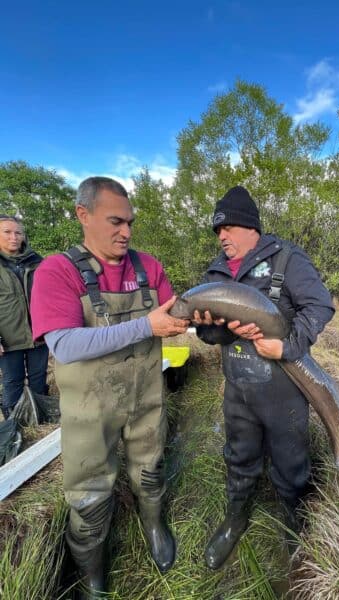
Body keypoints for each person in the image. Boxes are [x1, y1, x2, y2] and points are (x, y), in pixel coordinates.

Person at [30, 177, 189, 597]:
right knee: (88, 497)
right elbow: (64, 343)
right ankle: (92, 576)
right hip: (89, 411)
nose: (127, 232)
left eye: (130, 222)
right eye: (115, 221)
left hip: (146, 400)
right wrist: (145, 325)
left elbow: (176, 315)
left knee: (151, 471)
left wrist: (211, 316)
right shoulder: (57, 271)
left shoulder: (148, 268)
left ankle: (154, 525)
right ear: (83, 215)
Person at [193, 186, 335, 570]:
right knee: (239, 456)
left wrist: (286, 346)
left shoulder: (287, 259)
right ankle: (235, 519)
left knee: (290, 461)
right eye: (217, 231)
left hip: (283, 389)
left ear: (250, 226)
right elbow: (207, 335)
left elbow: (320, 306)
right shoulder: (216, 272)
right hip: (237, 387)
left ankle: (295, 527)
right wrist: (212, 329)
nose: (221, 236)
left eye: (228, 228)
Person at [0, 215, 49, 420]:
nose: (14, 237)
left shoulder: (38, 262)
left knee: (39, 378)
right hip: (9, 337)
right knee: (13, 381)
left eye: (18, 232)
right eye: (7, 232)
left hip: (39, 335)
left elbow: (51, 296)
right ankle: (15, 424)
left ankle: (39, 418)